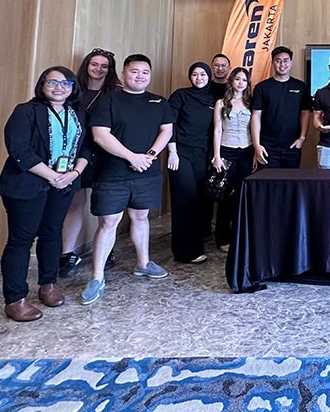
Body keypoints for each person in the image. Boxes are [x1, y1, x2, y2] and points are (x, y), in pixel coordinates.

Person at [0, 66, 90, 321]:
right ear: (42, 84)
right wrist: (51, 176)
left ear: (73, 88)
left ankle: (48, 285)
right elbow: (19, 149)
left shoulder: (78, 113)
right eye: (53, 82)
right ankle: (15, 299)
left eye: (66, 83)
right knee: (21, 240)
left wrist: (74, 173)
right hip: (27, 184)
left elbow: (87, 148)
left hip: (64, 183)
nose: (59, 87)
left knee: (52, 233)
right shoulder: (26, 111)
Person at [81, 54, 174, 305]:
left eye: (145, 72)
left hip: (147, 172)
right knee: (108, 223)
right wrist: (132, 157)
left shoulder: (159, 102)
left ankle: (143, 263)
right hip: (112, 174)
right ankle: (97, 277)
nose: (140, 76)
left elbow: (167, 130)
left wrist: (150, 156)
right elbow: (100, 136)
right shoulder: (108, 101)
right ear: (123, 73)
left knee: (141, 217)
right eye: (134, 71)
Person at [59, 48, 120, 278]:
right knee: (74, 204)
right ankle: (67, 254)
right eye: (95, 64)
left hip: (107, 153)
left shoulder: (116, 93)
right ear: (87, 65)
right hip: (76, 153)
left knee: (107, 208)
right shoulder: (73, 91)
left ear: (110, 70)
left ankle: (106, 251)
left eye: (104, 66)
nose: (99, 69)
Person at [166, 62, 216, 264]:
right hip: (180, 154)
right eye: (195, 74)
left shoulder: (213, 99)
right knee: (184, 201)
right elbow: (169, 124)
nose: (199, 78)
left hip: (202, 156)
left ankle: (196, 246)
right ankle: (184, 253)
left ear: (209, 76)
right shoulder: (180, 95)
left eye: (203, 74)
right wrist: (172, 152)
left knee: (200, 201)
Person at [212, 67, 255, 248]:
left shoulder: (251, 103)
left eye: (244, 80)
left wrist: (255, 153)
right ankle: (223, 239)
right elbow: (217, 130)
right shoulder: (221, 103)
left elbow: (255, 129)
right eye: (237, 79)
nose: (240, 83)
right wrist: (216, 156)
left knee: (243, 195)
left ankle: (241, 237)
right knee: (225, 196)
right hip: (226, 151)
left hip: (246, 151)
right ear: (231, 80)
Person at [250, 46, 312, 169]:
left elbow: (305, 113)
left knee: (291, 180)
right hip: (267, 147)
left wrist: (302, 138)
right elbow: (256, 116)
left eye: (285, 60)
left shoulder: (300, 86)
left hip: (292, 146)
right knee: (268, 180)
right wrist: (257, 145)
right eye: (278, 61)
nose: (282, 64)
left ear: (291, 63)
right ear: (272, 63)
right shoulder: (262, 87)